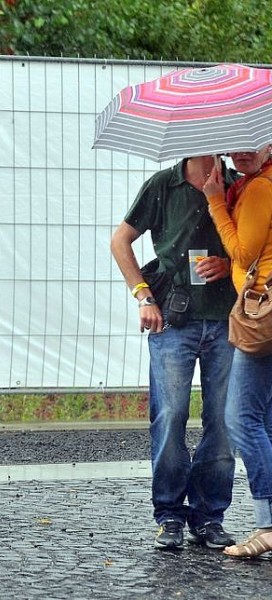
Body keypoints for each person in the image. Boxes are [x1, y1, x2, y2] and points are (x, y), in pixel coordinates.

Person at [111, 155, 238, 550]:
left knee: (223, 422)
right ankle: (168, 515)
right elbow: (120, 241)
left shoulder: (241, 184)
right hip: (172, 320)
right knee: (170, 416)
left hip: (229, 321)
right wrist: (143, 296)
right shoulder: (163, 185)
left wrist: (230, 261)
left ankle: (209, 516)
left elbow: (260, 245)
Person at [204, 146, 272, 558]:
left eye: (254, 144)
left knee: (240, 419)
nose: (242, 153)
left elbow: (245, 253)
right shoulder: (255, 186)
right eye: (236, 148)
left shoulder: (261, 188)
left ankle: (267, 525)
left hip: (261, 316)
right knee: (264, 420)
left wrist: (214, 200)